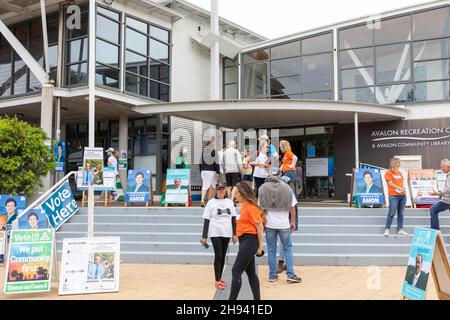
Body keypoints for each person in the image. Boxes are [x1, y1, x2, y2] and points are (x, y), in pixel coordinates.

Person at [259, 175, 301, 283]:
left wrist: (262, 222)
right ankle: (290, 274)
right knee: (287, 248)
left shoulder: (263, 188)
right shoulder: (287, 188)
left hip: (270, 224)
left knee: (271, 250)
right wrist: (292, 222)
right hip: (283, 224)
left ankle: (272, 275)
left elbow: (261, 208)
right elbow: (293, 206)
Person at [229, 182, 264, 300]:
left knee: (236, 271)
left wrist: (260, 247)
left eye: (238, 194)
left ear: (243, 194)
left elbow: (259, 227)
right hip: (244, 241)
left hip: (250, 241)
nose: (236, 196)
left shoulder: (251, 208)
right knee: (251, 273)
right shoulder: (244, 207)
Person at [201, 183, 237, 290]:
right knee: (219, 255)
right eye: (219, 190)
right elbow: (206, 220)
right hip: (215, 231)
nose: (221, 192)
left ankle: (219, 278)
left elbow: (233, 218)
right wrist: (204, 236)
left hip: (226, 231)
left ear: (225, 191)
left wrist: (234, 234)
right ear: (216, 191)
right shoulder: (211, 203)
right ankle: (217, 280)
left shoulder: (229, 202)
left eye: (223, 190)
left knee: (223, 255)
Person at [384, 157, 409, 237]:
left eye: (399, 163)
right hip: (393, 196)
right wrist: (399, 188)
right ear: (393, 163)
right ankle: (387, 229)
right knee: (391, 212)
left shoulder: (399, 173)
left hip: (402, 196)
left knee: (401, 213)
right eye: (397, 163)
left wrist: (404, 190)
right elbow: (390, 183)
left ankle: (400, 229)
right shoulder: (388, 172)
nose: (399, 164)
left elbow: (402, 183)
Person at [429, 159, 450, 230]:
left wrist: (438, 193)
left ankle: (435, 231)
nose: (441, 169)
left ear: (448, 167)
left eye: (442, 167)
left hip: (447, 200)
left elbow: (448, 189)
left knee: (432, 210)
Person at [200, 140, 220, 207]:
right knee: (211, 186)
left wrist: (201, 171)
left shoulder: (203, 152)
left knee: (205, 185)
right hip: (212, 171)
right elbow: (216, 162)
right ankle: (209, 201)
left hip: (203, 171)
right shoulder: (214, 152)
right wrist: (218, 172)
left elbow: (200, 163)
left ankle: (202, 200)